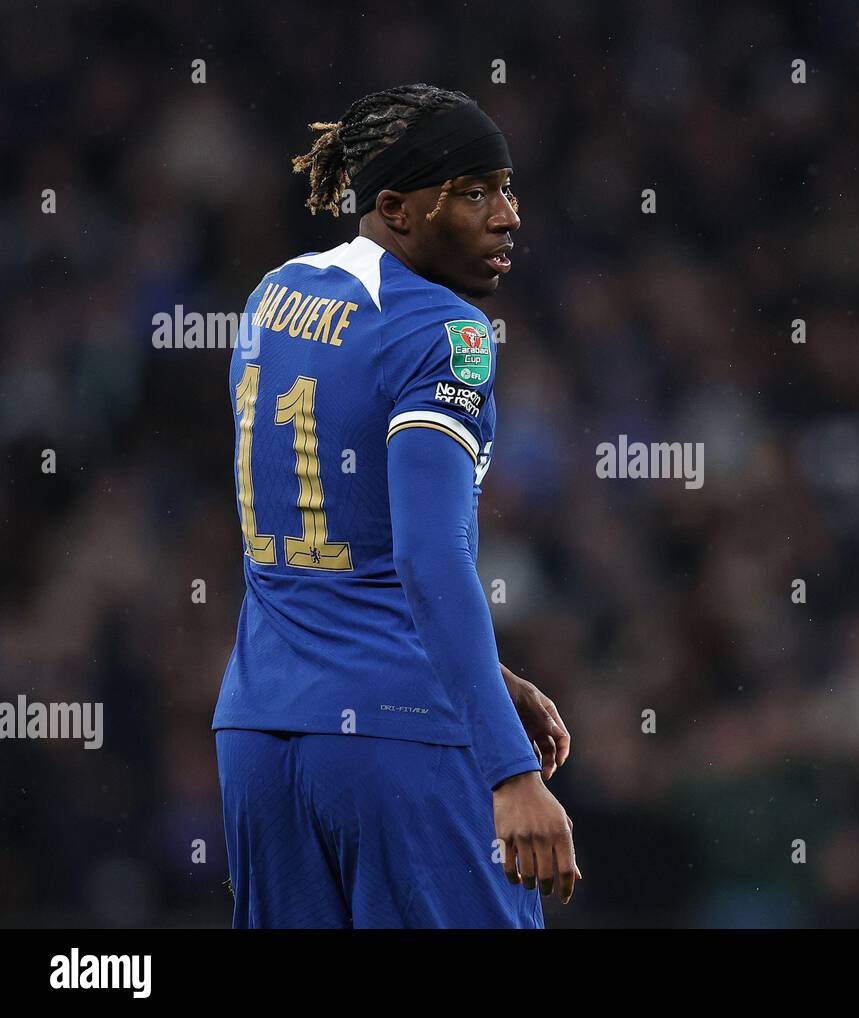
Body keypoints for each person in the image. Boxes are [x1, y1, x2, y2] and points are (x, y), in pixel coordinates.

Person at [211, 83, 579, 928]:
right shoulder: (444, 334)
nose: (509, 216)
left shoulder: (274, 295)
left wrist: (483, 673)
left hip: (259, 735)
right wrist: (508, 769)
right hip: (399, 737)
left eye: (510, 188)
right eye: (477, 192)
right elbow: (427, 557)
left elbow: (346, 541)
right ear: (395, 207)